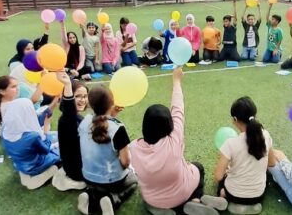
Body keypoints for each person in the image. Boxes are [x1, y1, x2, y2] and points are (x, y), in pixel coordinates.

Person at [130, 68, 227, 214]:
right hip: (182, 193)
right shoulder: (174, 138)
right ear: (169, 124)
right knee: (198, 167)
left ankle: (158, 207)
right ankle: (194, 200)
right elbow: (178, 107)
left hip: (152, 198)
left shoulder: (133, 147)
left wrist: (110, 113)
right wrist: (176, 80)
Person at [78, 86, 138, 214]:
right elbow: (125, 162)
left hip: (88, 176)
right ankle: (112, 199)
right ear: (112, 103)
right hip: (111, 180)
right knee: (134, 180)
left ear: (90, 103)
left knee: (99, 184)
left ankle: (90, 194)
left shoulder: (84, 121)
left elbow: (100, 123)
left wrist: (112, 115)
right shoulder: (117, 128)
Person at [213, 97, 275, 214]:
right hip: (258, 196)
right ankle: (249, 205)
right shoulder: (265, 135)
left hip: (234, 195)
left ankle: (223, 194)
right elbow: (272, 163)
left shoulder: (230, 144)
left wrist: (228, 169)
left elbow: (218, 176)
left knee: (223, 178)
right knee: (267, 175)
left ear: (235, 119)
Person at [1, 98, 60, 190]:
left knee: (55, 136)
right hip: (35, 165)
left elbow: (33, 121)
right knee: (63, 147)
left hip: (20, 163)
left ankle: (26, 174)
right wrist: (46, 131)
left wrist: (49, 109)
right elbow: (46, 150)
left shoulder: (5, 129)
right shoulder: (32, 137)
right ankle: (42, 175)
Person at [54, 76, 89, 191]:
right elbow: (69, 108)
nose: (82, 100)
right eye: (77, 96)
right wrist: (67, 85)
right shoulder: (67, 118)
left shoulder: (77, 117)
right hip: (77, 170)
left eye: (84, 96)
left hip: (77, 165)